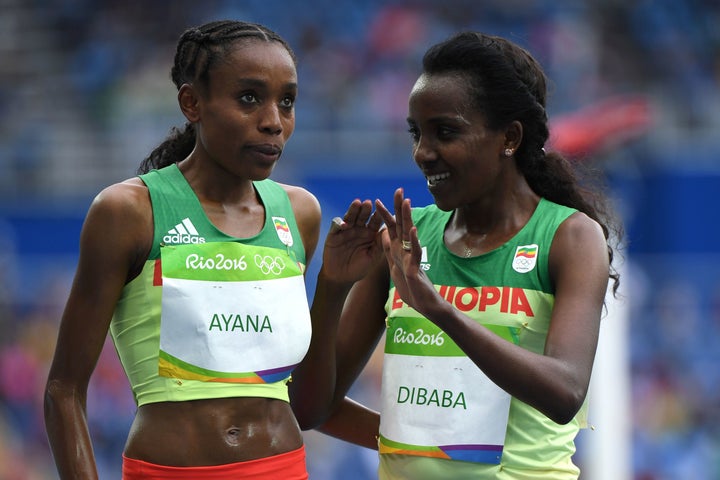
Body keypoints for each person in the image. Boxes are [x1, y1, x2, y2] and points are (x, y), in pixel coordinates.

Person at [43, 19, 383, 479]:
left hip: (285, 467)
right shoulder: (128, 211)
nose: (273, 121)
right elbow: (63, 391)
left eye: (287, 102)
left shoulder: (299, 212)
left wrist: (333, 287)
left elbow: (304, 403)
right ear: (192, 103)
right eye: (249, 98)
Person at [298, 31, 623, 479]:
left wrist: (440, 310)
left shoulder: (569, 238)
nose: (422, 153)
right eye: (416, 133)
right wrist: (332, 288)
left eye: (445, 132)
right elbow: (311, 409)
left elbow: (564, 393)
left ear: (509, 137)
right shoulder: (404, 241)